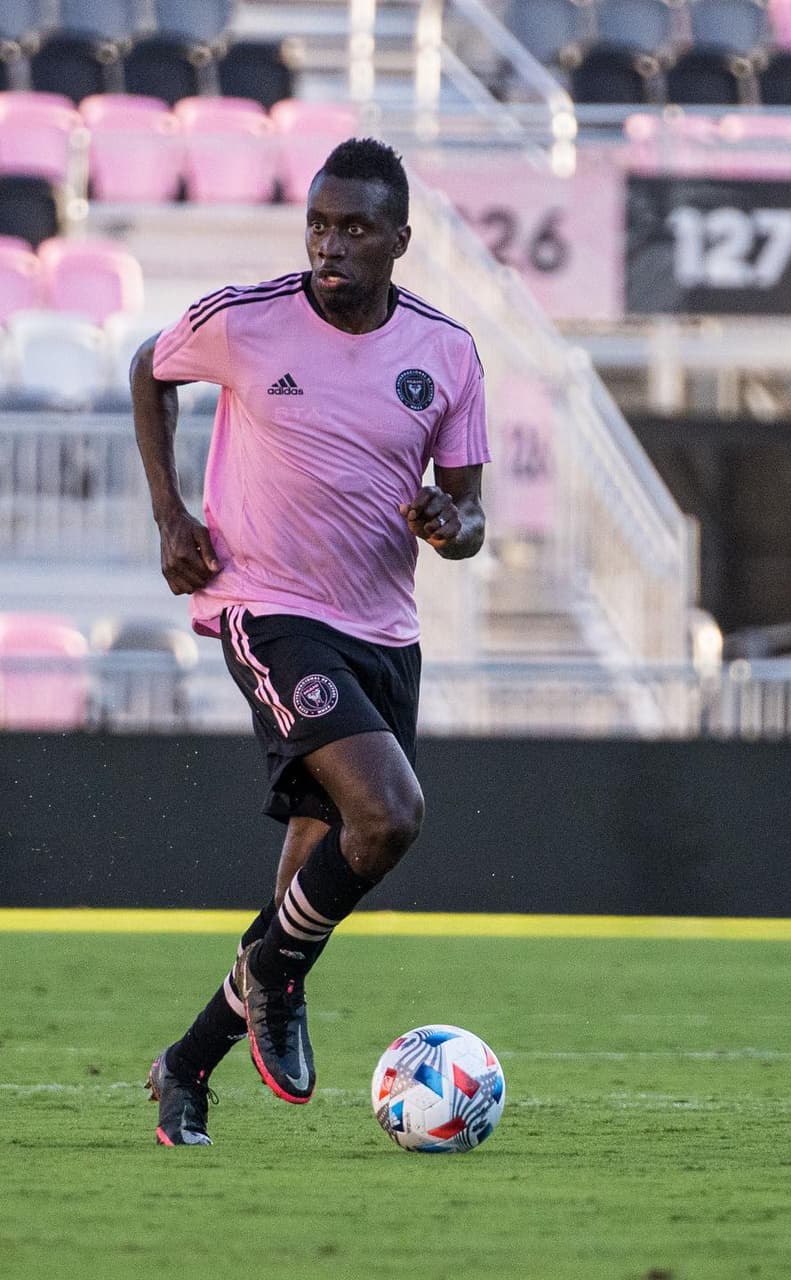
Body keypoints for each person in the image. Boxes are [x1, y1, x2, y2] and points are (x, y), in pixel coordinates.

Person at [131, 137, 489, 1145]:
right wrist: (170, 516)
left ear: (398, 241)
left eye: (355, 229)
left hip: (383, 628)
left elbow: (468, 519)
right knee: (389, 814)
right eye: (320, 225)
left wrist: (448, 524)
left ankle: (187, 1066)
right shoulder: (246, 320)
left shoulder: (446, 352)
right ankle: (276, 985)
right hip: (268, 603)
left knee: (306, 889)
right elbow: (145, 370)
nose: (331, 246)